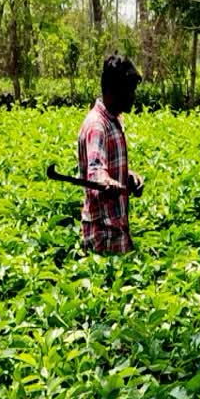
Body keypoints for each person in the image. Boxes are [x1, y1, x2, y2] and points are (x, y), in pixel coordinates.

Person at [77, 53, 144, 253]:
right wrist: (106, 182)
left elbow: (107, 164)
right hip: (103, 237)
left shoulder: (114, 120)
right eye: (130, 90)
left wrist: (128, 177)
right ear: (114, 90)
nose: (133, 95)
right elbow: (96, 171)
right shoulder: (98, 125)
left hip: (117, 232)